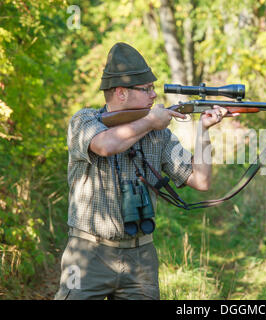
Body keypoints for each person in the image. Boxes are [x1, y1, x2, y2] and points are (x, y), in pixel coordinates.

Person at [54, 42, 231, 300]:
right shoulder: (84, 121)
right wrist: (150, 121)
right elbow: (106, 145)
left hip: (140, 258)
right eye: (146, 89)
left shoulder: (158, 134)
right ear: (121, 93)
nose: (154, 96)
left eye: (153, 89)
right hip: (87, 254)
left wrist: (203, 131)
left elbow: (201, 180)